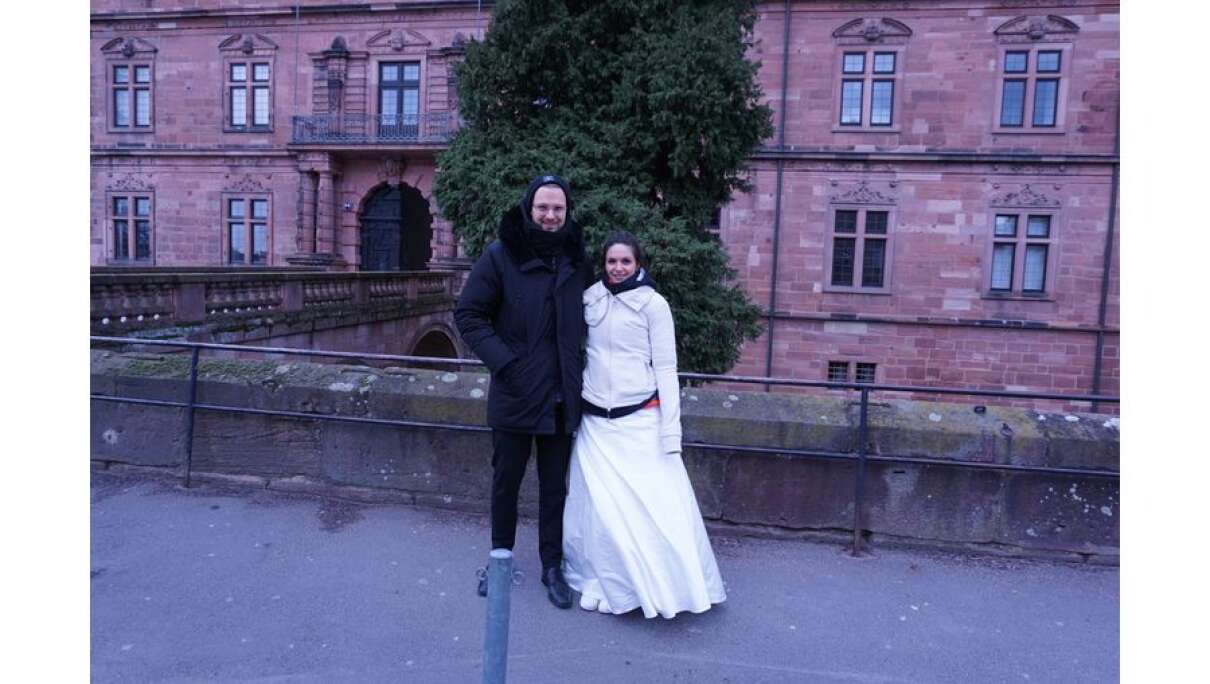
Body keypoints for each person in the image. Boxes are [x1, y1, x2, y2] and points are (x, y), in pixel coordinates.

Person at [562, 231, 727, 619]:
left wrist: (671, 430)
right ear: (602, 264)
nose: (617, 269)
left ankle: (656, 585)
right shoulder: (590, 298)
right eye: (611, 262)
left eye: (625, 262)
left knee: (652, 511)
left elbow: (667, 369)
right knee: (600, 514)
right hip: (596, 425)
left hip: (640, 423)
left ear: (639, 265)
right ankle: (606, 581)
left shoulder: (655, 306)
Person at [454, 174, 591, 609]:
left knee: (555, 489)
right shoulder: (500, 256)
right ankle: (499, 562)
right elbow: (469, 314)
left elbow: (601, 313)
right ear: (529, 209)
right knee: (505, 484)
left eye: (558, 209)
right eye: (543, 208)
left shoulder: (577, 260)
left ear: (567, 213)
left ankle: (552, 566)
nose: (550, 216)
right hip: (515, 392)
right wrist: (507, 364)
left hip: (560, 397)